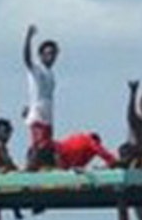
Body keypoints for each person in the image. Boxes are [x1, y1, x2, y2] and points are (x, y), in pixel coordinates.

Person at [23, 24, 59, 170]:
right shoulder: (37, 69)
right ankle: (29, 171)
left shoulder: (51, 74)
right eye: (47, 53)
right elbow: (26, 59)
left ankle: (44, 168)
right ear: (41, 55)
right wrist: (28, 38)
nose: (50, 57)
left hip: (48, 116)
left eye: (53, 54)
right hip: (38, 115)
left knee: (47, 146)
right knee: (39, 145)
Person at [54, 132, 118, 169]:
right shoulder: (90, 140)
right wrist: (112, 160)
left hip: (59, 155)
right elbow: (101, 152)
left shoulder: (79, 138)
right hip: (60, 155)